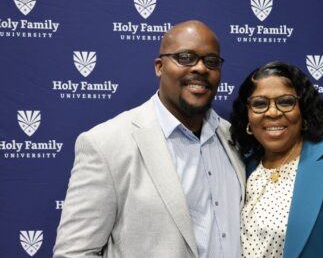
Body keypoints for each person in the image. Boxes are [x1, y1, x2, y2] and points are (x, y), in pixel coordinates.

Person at [54, 20, 245, 258]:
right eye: (185, 57)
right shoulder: (106, 143)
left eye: (211, 61)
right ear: (159, 67)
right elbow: (74, 253)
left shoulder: (235, 139)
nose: (200, 68)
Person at [230, 61, 323, 258]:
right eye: (260, 104)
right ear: (247, 115)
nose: (273, 112)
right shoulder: (243, 166)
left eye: (286, 102)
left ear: (303, 110)